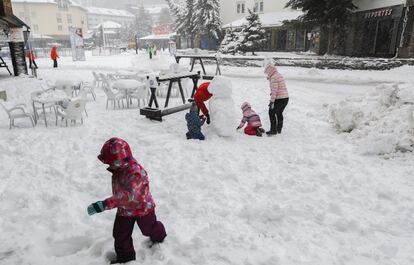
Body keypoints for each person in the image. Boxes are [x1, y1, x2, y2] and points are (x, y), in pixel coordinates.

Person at [87, 138, 167, 264]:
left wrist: (105, 204)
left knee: (148, 229)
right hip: (125, 210)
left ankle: (159, 234)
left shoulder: (136, 172)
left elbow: (130, 196)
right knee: (120, 234)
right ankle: (126, 258)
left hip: (143, 208)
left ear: (121, 160)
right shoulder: (119, 169)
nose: (110, 165)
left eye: (112, 162)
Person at [264, 63, 289, 135]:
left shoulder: (274, 78)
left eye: (267, 72)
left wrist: (271, 101)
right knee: (279, 113)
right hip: (285, 98)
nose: (267, 74)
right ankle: (279, 129)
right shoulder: (278, 75)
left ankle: (273, 130)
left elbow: (274, 91)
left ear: (269, 71)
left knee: (271, 112)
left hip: (279, 99)